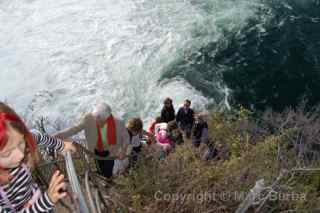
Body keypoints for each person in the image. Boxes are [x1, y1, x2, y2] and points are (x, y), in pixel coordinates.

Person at [0, 102, 75, 212]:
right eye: (7, 153)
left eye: (21, 143)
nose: (20, 155)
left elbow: (37, 136)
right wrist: (47, 200)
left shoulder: (19, 140)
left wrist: (61, 146)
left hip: (36, 199)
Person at [53, 103, 129, 179]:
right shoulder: (89, 119)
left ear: (107, 118)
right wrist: (57, 136)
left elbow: (126, 138)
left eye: (99, 119)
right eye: (95, 118)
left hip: (109, 152)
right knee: (99, 167)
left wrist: (123, 151)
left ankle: (107, 179)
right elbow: (74, 129)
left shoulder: (119, 123)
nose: (96, 121)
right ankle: (102, 177)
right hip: (95, 150)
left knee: (108, 170)